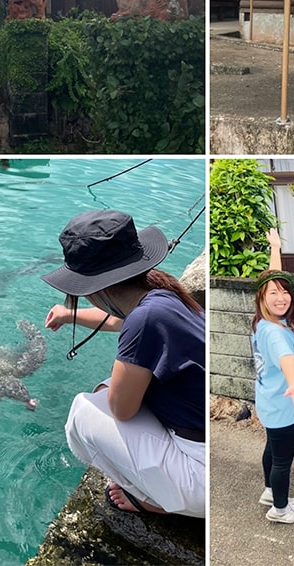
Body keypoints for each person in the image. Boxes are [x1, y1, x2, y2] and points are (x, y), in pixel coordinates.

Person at [42, 209, 205, 517]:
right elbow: (119, 320)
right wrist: (68, 314)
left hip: (201, 480)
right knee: (112, 389)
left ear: (94, 289)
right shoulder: (163, 296)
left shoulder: (144, 320)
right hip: (204, 448)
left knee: (83, 411)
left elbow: (121, 409)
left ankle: (152, 501)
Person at [251, 228, 294, 524]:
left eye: (285, 291)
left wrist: (275, 248)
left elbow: (273, 279)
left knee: (271, 448)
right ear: (262, 298)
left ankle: (269, 492)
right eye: (274, 292)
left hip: (268, 402)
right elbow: (286, 358)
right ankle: (281, 509)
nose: (282, 296)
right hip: (283, 405)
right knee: (283, 459)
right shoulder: (275, 333)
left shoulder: (263, 323)